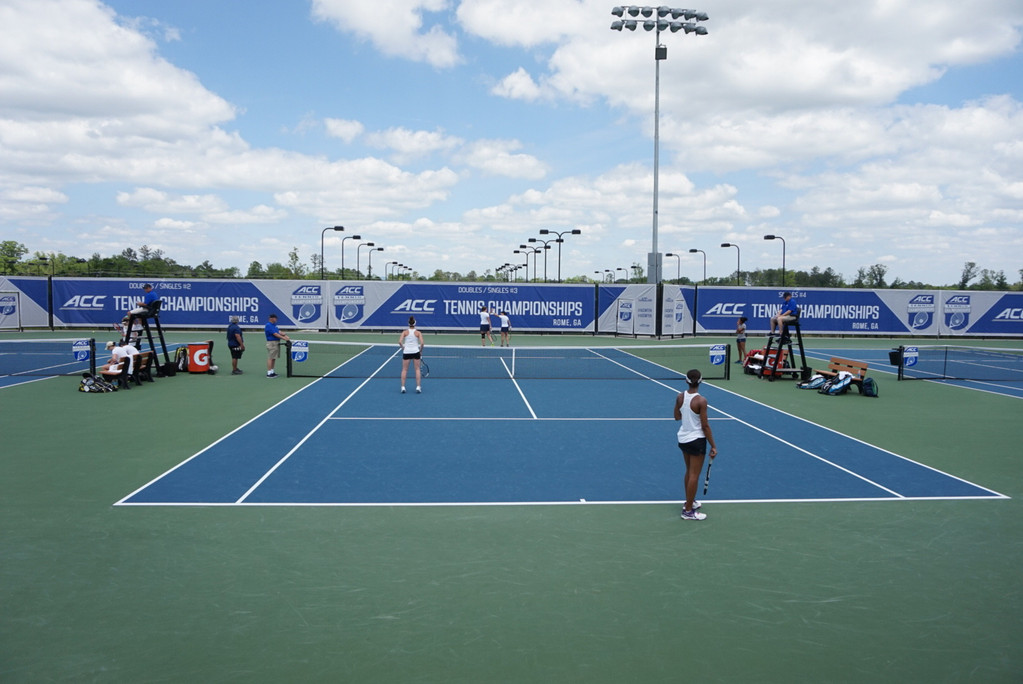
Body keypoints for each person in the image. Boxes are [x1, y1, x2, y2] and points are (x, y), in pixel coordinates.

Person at [673, 368, 718, 521]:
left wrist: (686, 414)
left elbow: (676, 416)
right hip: (697, 440)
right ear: (700, 381)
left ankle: (689, 502)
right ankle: (688, 511)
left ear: (686, 381)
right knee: (694, 475)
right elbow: (705, 426)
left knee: (689, 471)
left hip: (683, 439)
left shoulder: (680, 397)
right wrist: (713, 446)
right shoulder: (701, 401)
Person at [398, 315, 424, 394]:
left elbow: (399, 342)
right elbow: (422, 343)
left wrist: (403, 348)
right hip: (416, 352)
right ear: (415, 323)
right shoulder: (418, 332)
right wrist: (420, 351)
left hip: (407, 352)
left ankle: (403, 387)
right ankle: (418, 387)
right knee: (417, 369)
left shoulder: (404, 332)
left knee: (404, 370)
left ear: (408, 324)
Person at [264, 313, 290, 378]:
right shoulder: (268, 325)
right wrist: (284, 338)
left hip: (276, 342)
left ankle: (272, 372)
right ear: (271, 318)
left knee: (274, 358)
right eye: (275, 318)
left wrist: (285, 335)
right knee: (271, 358)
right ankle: (269, 373)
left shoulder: (274, 325)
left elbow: (279, 332)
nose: (276, 319)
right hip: (272, 343)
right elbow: (275, 334)